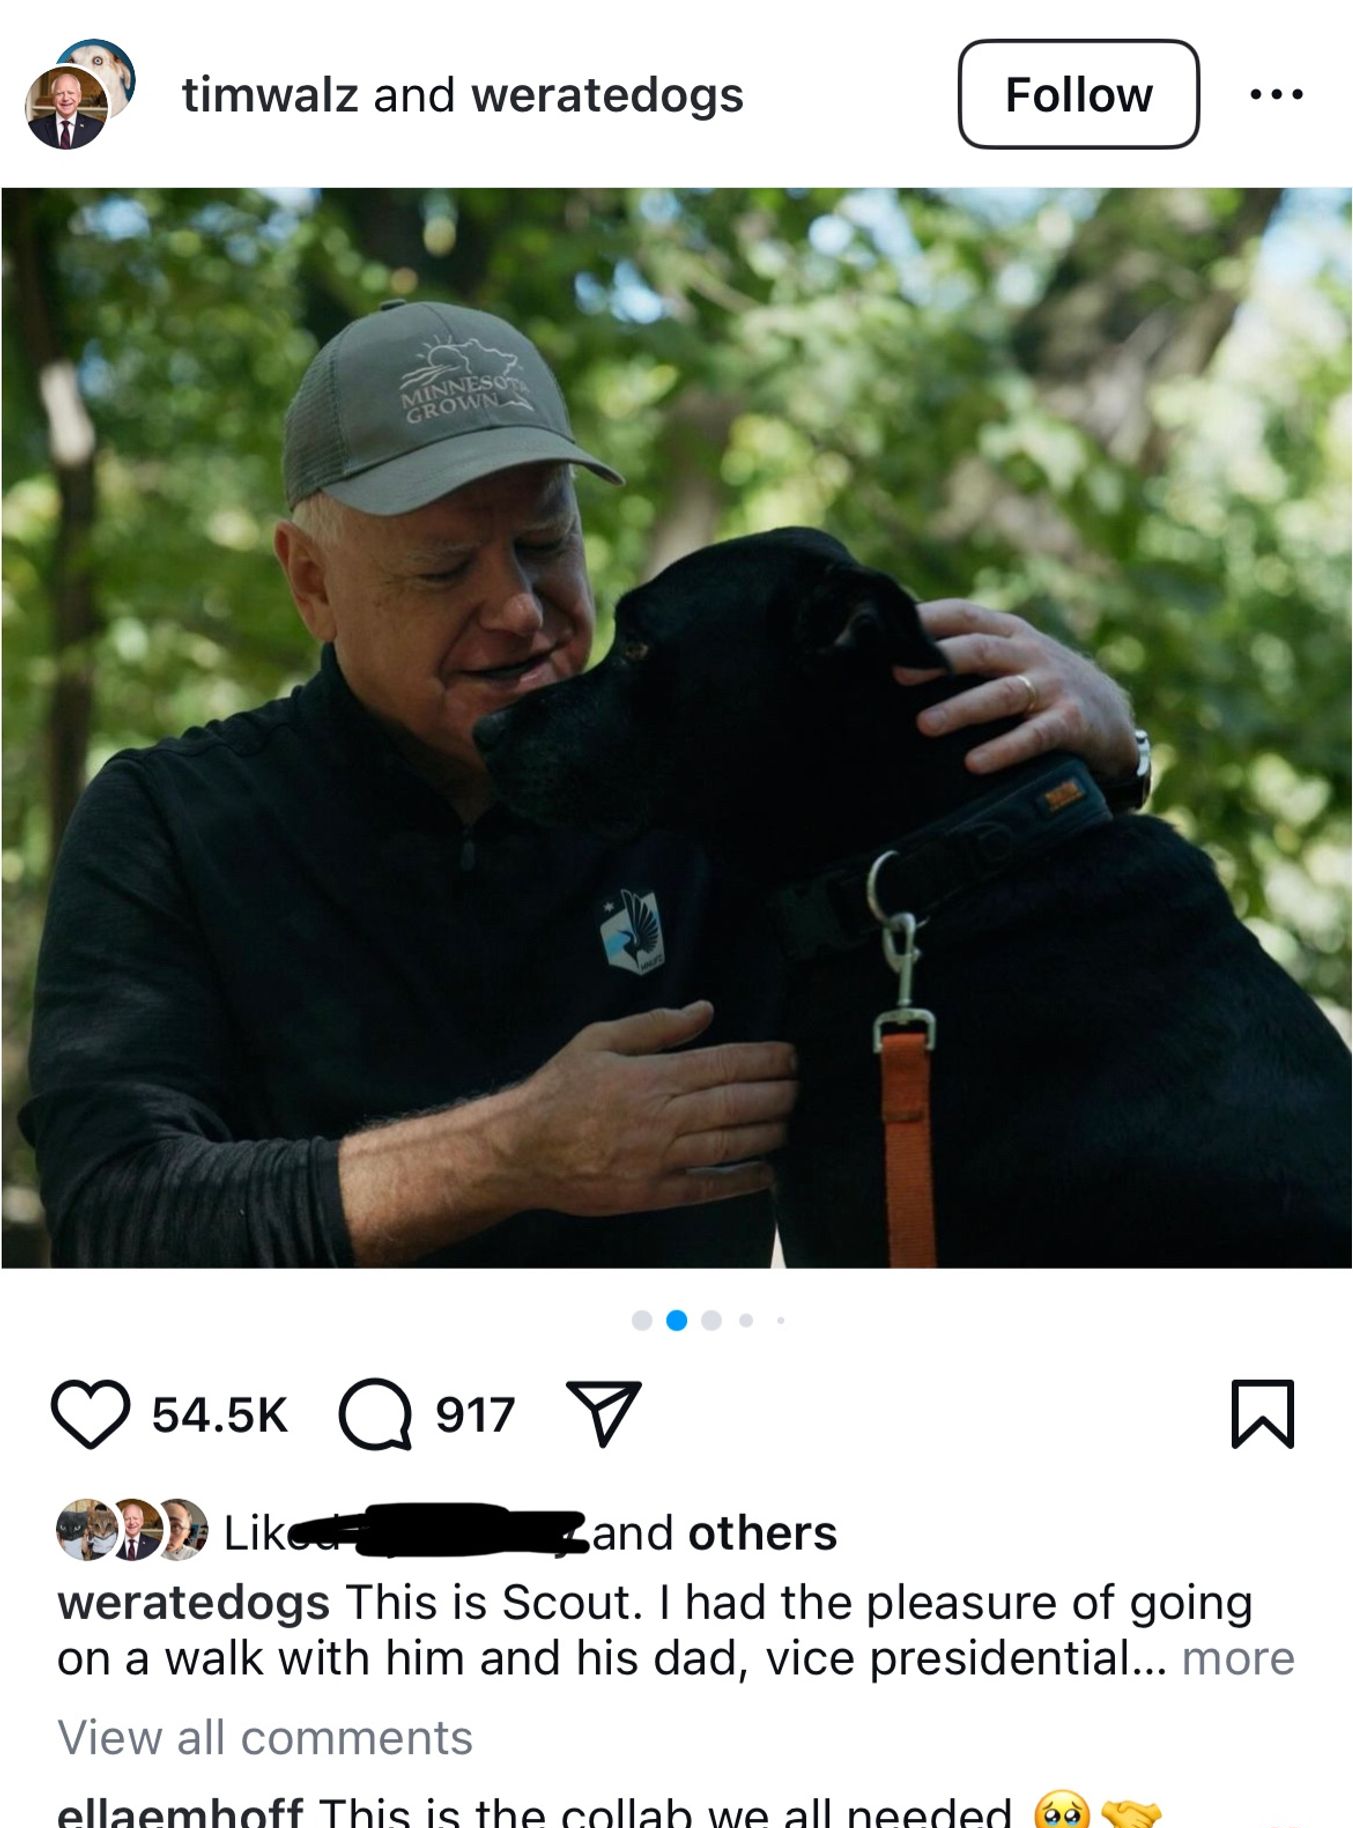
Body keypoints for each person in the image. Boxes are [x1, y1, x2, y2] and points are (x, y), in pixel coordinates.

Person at [21, 300, 1143, 1267]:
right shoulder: (172, 820)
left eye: (546, 542)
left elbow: (1032, 972)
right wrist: (514, 1152)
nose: (518, 607)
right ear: (310, 581)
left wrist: (1108, 743)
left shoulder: (726, 777)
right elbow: (117, 1219)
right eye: (445, 566)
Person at [29, 73, 103, 148]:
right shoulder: (34, 128)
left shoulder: (97, 129)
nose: (65, 98)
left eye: (70, 93)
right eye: (60, 93)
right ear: (53, 98)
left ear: (79, 97)